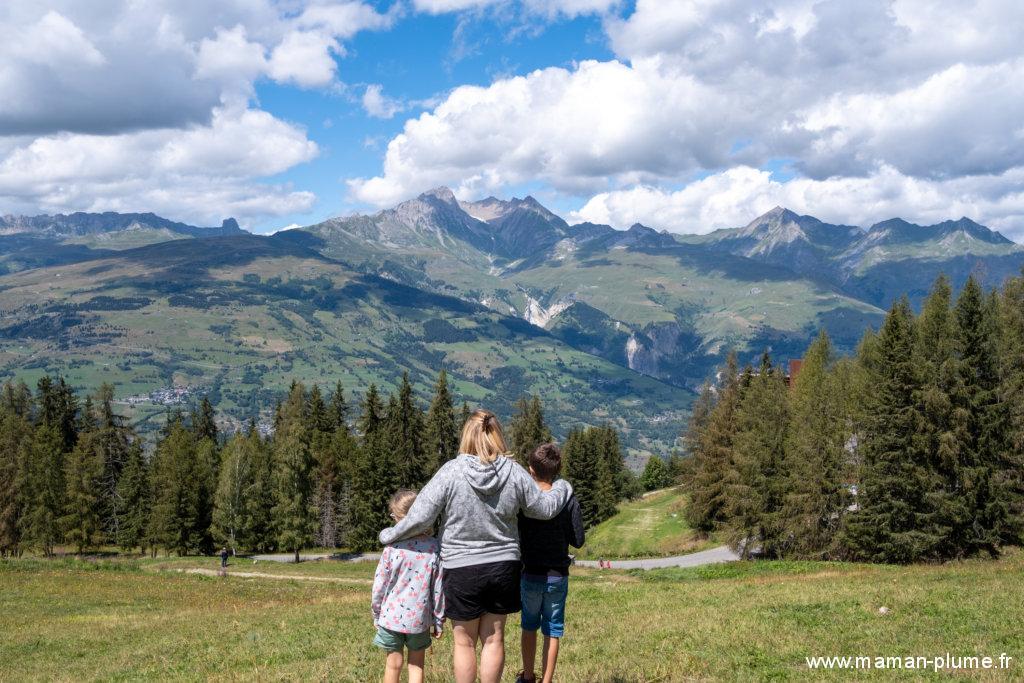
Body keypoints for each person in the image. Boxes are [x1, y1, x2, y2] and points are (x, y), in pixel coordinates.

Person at [379, 409, 574, 683]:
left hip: (460, 569)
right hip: (503, 567)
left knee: (464, 644)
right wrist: (562, 486)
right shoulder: (514, 472)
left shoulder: (451, 471)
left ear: (466, 436)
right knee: (494, 641)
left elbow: (420, 515)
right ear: (497, 435)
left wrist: (389, 535)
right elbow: (543, 508)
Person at [515, 443, 585, 683]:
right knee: (553, 630)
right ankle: (547, 680)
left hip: (530, 573)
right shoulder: (568, 499)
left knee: (528, 626)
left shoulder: (524, 501)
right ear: (557, 470)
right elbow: (578, 540)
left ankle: (527, 676)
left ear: (531, 470)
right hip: (557, 574)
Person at [371, 490, 444, 683]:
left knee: (393, 664)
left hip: (391, 618)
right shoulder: (433, 548)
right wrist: (438, 620)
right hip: (419, 619)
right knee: (416, 665)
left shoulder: (392, 548)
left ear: (400, 519)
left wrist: (376, 614)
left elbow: (379, 585)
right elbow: (438, 589)